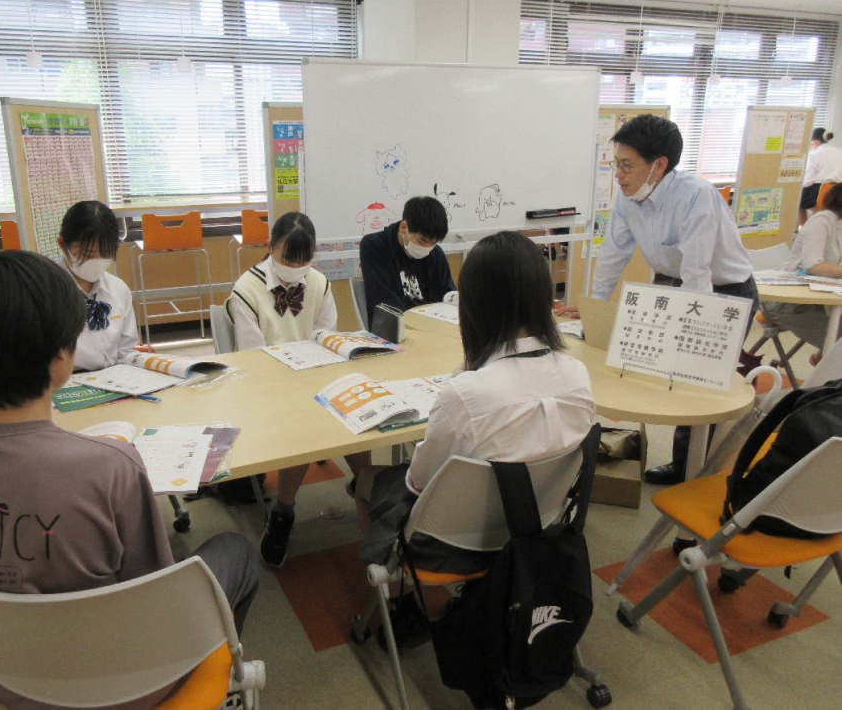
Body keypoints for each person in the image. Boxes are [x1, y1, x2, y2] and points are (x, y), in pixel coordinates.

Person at [0, 251, 258, 710]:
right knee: (234, 551)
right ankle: (216, 677)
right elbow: (156, 594)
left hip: (4, 677)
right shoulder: (110, 467)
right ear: (60, 357)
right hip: (128, 685)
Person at [359, 231, 595, 571]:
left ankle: (391, 585)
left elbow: (419, 482)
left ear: (475, 305)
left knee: (367, 478)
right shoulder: (577, 375)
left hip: (452, 543)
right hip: (539, 523)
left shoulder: (465, 394)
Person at [559, 114, 756, 486]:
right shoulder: (629, 198)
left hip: (724, 293)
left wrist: (690, 327)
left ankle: (695, 469)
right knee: (669, 374)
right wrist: (593, 306)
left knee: (699, 381)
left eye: (627, 165)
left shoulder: (696, 195)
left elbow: (698, 272)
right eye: (616, 165)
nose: (619, 174)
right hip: (680, 284)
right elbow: (613, 252)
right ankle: (687, 463)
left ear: (659, 164)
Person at [227, 212, 370, 568]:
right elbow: (253, 358)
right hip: (268, 386)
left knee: (359, 408)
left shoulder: (318, 282)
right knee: (309, 420)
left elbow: (327, 336)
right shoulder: (246, 290)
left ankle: (367, 487)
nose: (295, 267)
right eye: (287, 259)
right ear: (269, 247)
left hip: (315, 376)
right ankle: (284, 510)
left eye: (303, 260)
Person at [57, 200, 138, 371]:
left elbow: (127, 349)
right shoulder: (46, 292)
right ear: (63, 245)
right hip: (67, 380)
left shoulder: (118, 289)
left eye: (106, 253)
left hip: (115, 377)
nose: (97, 260)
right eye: (86, 253)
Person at [767, 182, 842, 362]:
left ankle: (822, 358)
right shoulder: (821, 221)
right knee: (838, 339)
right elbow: (813, 265)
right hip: (791, 303)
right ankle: (825, 362)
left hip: (823, 299)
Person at [359, 195, 457, 328]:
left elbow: (447, 291)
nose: (427, 248)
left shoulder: (435, 253)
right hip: (395, 328)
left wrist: (455, 299)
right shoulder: (375, 246)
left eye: (433, 243)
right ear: (403, 227)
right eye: (421, 241)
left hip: (432, 326)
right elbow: (383, 301)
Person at [798, 128, 842, 227]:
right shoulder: (839, 152)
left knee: (798, 203)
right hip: (838, 192)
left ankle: (804, 227)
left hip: (821, 193)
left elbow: (808, 180)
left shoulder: (813, 154)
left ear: (814, 141)